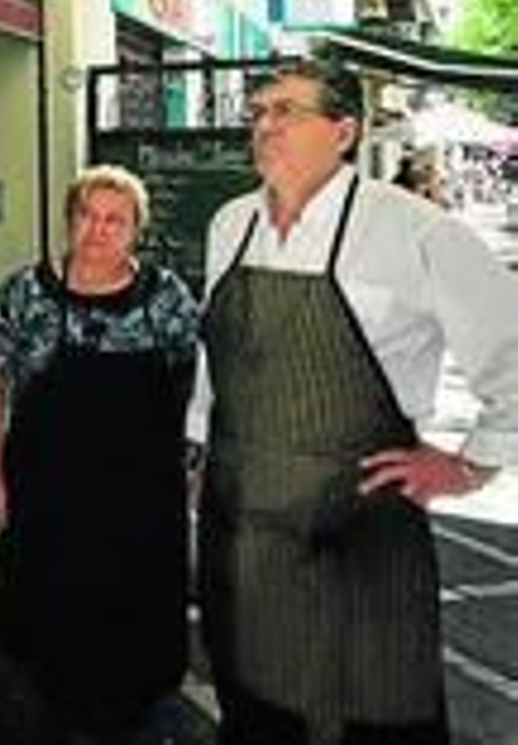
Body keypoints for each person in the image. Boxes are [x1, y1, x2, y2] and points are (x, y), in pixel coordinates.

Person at [196, 59, 518, 745]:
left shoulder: (414, 231)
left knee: (373, 717)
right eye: (257, 112)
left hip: (360, 543)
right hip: (243, 538)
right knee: (259, 714)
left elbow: (511, 351)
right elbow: (216, 356)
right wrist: (199, 442)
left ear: (344, 130)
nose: (265, 124)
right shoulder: (228, 224)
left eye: (286, 110)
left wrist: (471, 465)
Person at [0, 165, 200, 743]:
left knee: (134, 654)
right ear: (69, 222)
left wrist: (194, 473)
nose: (99, 231)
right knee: (49, 650)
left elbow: (195, 390)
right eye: (87, 216)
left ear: (136, 231)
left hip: (142, 501)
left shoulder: (167, 297)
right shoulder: (25, 294)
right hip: (50, 498)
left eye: (115, 220)